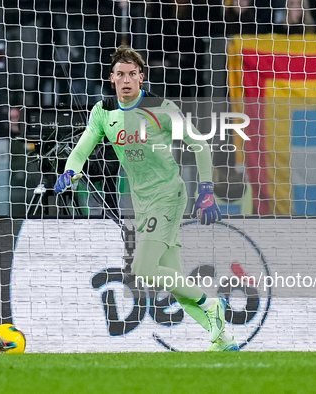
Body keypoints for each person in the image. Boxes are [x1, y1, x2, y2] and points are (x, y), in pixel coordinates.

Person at [53, 45, 238, 351]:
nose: (126, 80)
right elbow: (82, 149)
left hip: (168, 195)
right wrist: (70, 171)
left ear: (141, 77)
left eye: (132, 74)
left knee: (142, 269)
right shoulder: (103, 112)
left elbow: (199, 144)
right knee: (176, 282)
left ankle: (211, 303)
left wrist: (206, 190)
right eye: (120, 74)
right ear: (112, 78)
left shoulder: (160, 108)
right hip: (141, 202)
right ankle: (222, 337)